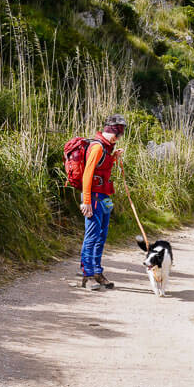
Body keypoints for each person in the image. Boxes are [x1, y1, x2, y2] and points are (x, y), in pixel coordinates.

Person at [80, 114, 126, 290]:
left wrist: (114, 157)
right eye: (118, 133)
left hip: (104, 197)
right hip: (93, 198)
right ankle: (87, 275)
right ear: (111, 130)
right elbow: (87, 175)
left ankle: (98, 273)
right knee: (91, 236)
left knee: (102, 236)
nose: (119, 137)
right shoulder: (97, 148)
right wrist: (86, 201)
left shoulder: (108, 148)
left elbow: (103, 170)